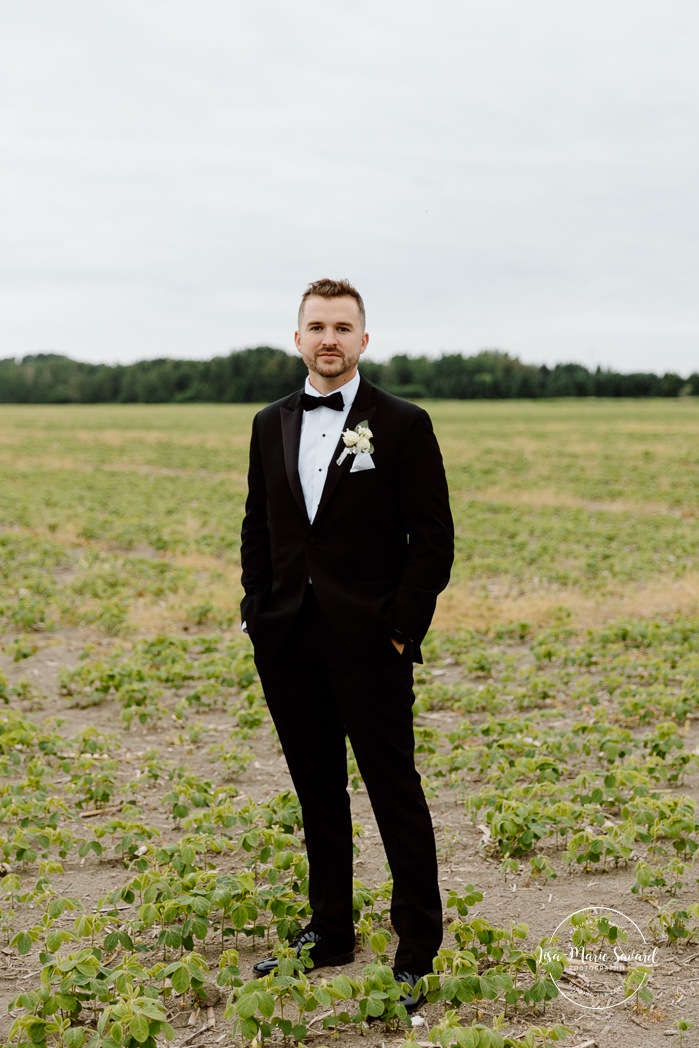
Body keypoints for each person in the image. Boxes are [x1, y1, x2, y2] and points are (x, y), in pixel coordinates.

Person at [240, 278, 454, 1011]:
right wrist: (255, 611)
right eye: (315, 326)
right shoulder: (269, 423)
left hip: (370, 644)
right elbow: (259, 529)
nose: (328, 338)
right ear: (296, 338)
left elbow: (432, 543)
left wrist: (399, 628)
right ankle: (329, 931)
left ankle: (417, 947)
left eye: (342, 327)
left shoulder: (402, 424)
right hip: (286, 640)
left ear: (363, 340)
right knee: (317, 793)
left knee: (394, 791)